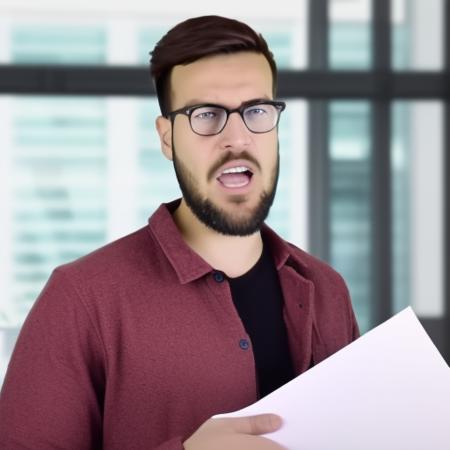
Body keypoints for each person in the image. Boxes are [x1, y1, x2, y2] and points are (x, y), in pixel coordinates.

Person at [0, 15, 359, 450]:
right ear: (167, 137)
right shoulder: (80, 298)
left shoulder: (327, 289)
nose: (237, 138)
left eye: (257, 111)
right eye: (206, 115)